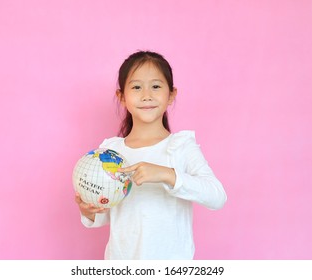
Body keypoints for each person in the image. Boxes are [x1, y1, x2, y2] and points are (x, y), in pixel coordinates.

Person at [75, 50, 227, 259]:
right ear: (122, 97)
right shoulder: (111, 151)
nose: (147, 95)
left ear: (171, 95)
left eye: (156, 86)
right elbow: (108, 213)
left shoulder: (180, 146)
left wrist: (167, 174)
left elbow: (217, 196)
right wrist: (89, 209)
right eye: (136, 87)